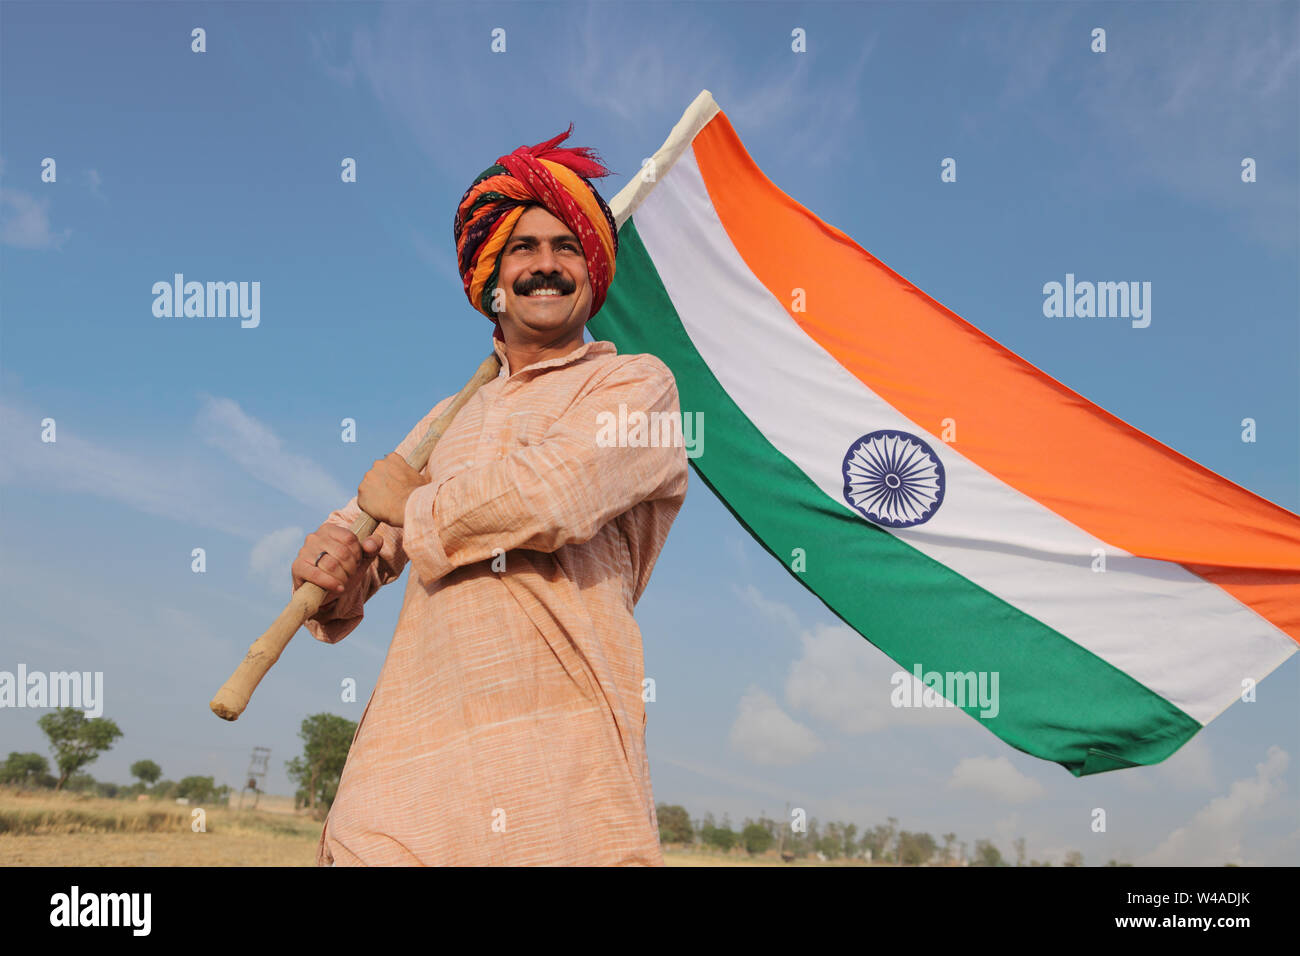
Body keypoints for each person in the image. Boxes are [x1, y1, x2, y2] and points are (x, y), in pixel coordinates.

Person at [289, 125, 689, 866]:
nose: (546, 266)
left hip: (558, 748)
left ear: (593, 274)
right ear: (491, 281)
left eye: (567, 248)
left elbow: (553, 494)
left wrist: (413, 506)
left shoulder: (636, 386)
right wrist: (332, 571)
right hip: (409, 751)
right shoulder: (446, 421)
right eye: (523, 249)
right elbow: (370, 552)